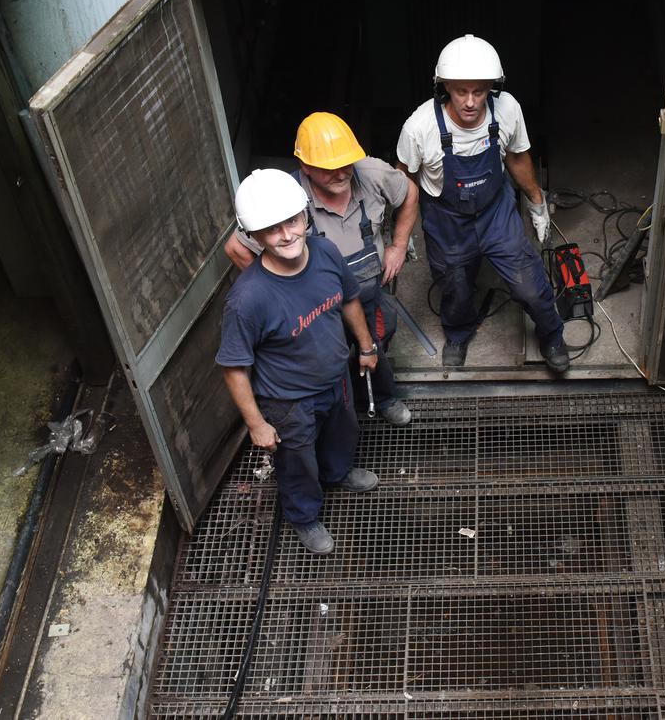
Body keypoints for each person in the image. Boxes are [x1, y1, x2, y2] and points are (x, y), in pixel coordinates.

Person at [216, 168, 381, 555]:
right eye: (272, 229)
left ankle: (338, 473)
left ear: (306, 215)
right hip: (289, 401)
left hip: (336, 376)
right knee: (297, 461)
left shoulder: (325, 253)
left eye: (292, 220)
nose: (287, 234)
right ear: (254, 236)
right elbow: (233, 368)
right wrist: (256, 424)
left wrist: (367, 346)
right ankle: (304, 516)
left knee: (343, 432)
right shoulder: (248, 299)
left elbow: (349, 298)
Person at [224, 112, 419, 424]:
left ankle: (384, 398)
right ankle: (346, 412)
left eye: (345, 163)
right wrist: (286, 292)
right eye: (328, 168)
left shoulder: (371, 173)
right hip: (321, 307)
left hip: (367, 294)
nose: (341, 173)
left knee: (375, 345)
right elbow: (236, 247)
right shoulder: (284, 196)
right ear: (305, 167)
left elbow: (410, 193)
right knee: (332, 362)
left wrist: (397, 245)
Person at [395, 34, 569, 372]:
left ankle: (551, 334)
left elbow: (518, 157)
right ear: (444, 86)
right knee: (456, 287)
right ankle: (458, 333)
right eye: (461, 91)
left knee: (529, 286)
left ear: (493, 87)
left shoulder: (507, 110)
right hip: (447, 222)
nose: (471, 101)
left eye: (480, 91)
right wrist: (402, 236)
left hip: (495, 214)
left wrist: (536, 202)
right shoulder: (419, 127)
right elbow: (405, 179)